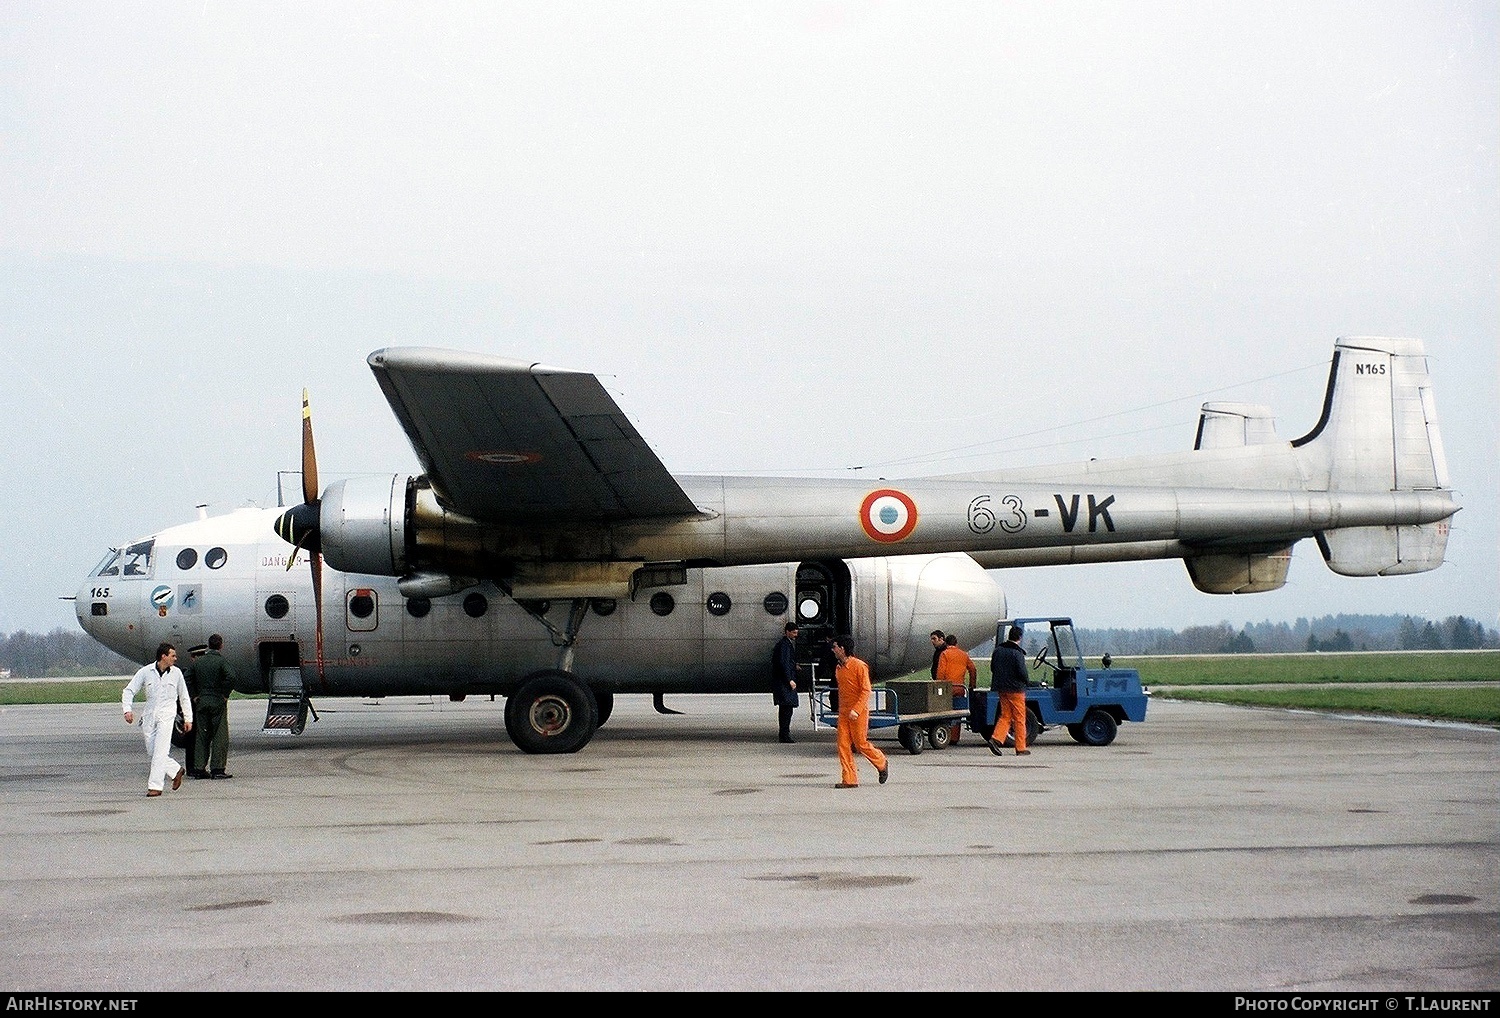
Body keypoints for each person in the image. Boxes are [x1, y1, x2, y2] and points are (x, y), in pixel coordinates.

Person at [122, 642, 193, 796]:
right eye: (172, 655)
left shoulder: (176, 674)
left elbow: (184, 697)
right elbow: (129, 690)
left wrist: (188, 718)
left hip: (167, 716)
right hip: (149, 716)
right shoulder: (146, 672)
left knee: (160, 750)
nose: (175, 658)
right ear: (163, 656)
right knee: (152, 751)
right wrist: (127, 709)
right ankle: (175, 770)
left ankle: (155, 787)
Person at [830, 635, 888, 789]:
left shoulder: (859, 666)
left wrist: (856, 709)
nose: (833, 650)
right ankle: (849, 779)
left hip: (858, 712)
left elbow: (866, 690)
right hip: (844, 712)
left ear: (842, 649)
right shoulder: (838, 668)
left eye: (835, 646)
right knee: (843, 744)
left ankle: (881, 762)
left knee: (860, 743)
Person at [190, 633, 237, 779]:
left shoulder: (198, 662)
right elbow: (231, 676)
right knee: (219, 736)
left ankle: (198, 768)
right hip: (217, 701)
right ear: (221, 645)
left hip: (202, 701)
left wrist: (195, 695)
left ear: (208, 645)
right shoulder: (221, 661)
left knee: (202, 735)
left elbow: (188, 678)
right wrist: (224, 693)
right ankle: (217, 769)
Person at [988, 625, 1031, 756]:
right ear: (1019, 637)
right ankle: (1020, 747)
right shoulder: (1017, 653)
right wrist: (1027, 682)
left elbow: (992, 667)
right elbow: (1022, 672)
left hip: (1001, 688)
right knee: (1019, 718)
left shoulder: (998, 650)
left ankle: (996, 739)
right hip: (1016, 689)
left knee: (1005, 715)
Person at [936, 633, 977, 744]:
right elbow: (973, 669)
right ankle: (955, 738)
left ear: (946, 643)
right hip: (960, 688)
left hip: (947, 689)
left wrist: (938, 686)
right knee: (957, 713)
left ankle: (946, 736)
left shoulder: (944, 654)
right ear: (956, 643)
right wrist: (972, 685)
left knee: (945, 713)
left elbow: (941, 672)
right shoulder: (963, 654)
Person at [769, 621, 801, 743]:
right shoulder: (785, 645)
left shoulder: (784, 644)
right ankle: (784, 734)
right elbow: (783, 664)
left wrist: (794, 665)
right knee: (786, 709)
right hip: (784, 682)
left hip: (782, 681)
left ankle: (784, 733)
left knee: (786, 708)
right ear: (787, 632)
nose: (795, 635)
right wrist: (790, 680)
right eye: (793, 632)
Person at [179, 644, 206, 777]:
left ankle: (195, 767)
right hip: (191, 708)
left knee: (195, 738)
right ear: (193, 658)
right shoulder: (190, 671)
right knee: (193, 739)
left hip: (196, 707)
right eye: (199, 656)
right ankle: (192, 768)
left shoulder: (195, 669)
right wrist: (194, 696)